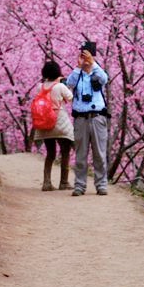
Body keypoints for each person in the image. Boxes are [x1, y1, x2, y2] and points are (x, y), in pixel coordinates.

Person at [65, 40, 109, 196]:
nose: (84, 58)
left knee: (100, 154)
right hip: (80, 119)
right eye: (82, 54)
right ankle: (79, 186)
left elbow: (104, 79)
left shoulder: (98, 72)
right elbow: (69, 84)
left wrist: (93, 64)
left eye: (87, 55)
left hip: (97, 117)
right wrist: (78, 67)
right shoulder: (76, 74)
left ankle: (101, 185)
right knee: (80, 155)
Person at [32, 59, 74, 191]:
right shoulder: (60, 86)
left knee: (50, 153)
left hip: (45, 123)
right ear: (58, 72)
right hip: (59, 122)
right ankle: (64, 182)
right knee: (65, 151)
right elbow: (70, 97)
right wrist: (64, 84)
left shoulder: (40, 86)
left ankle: (47, 182)